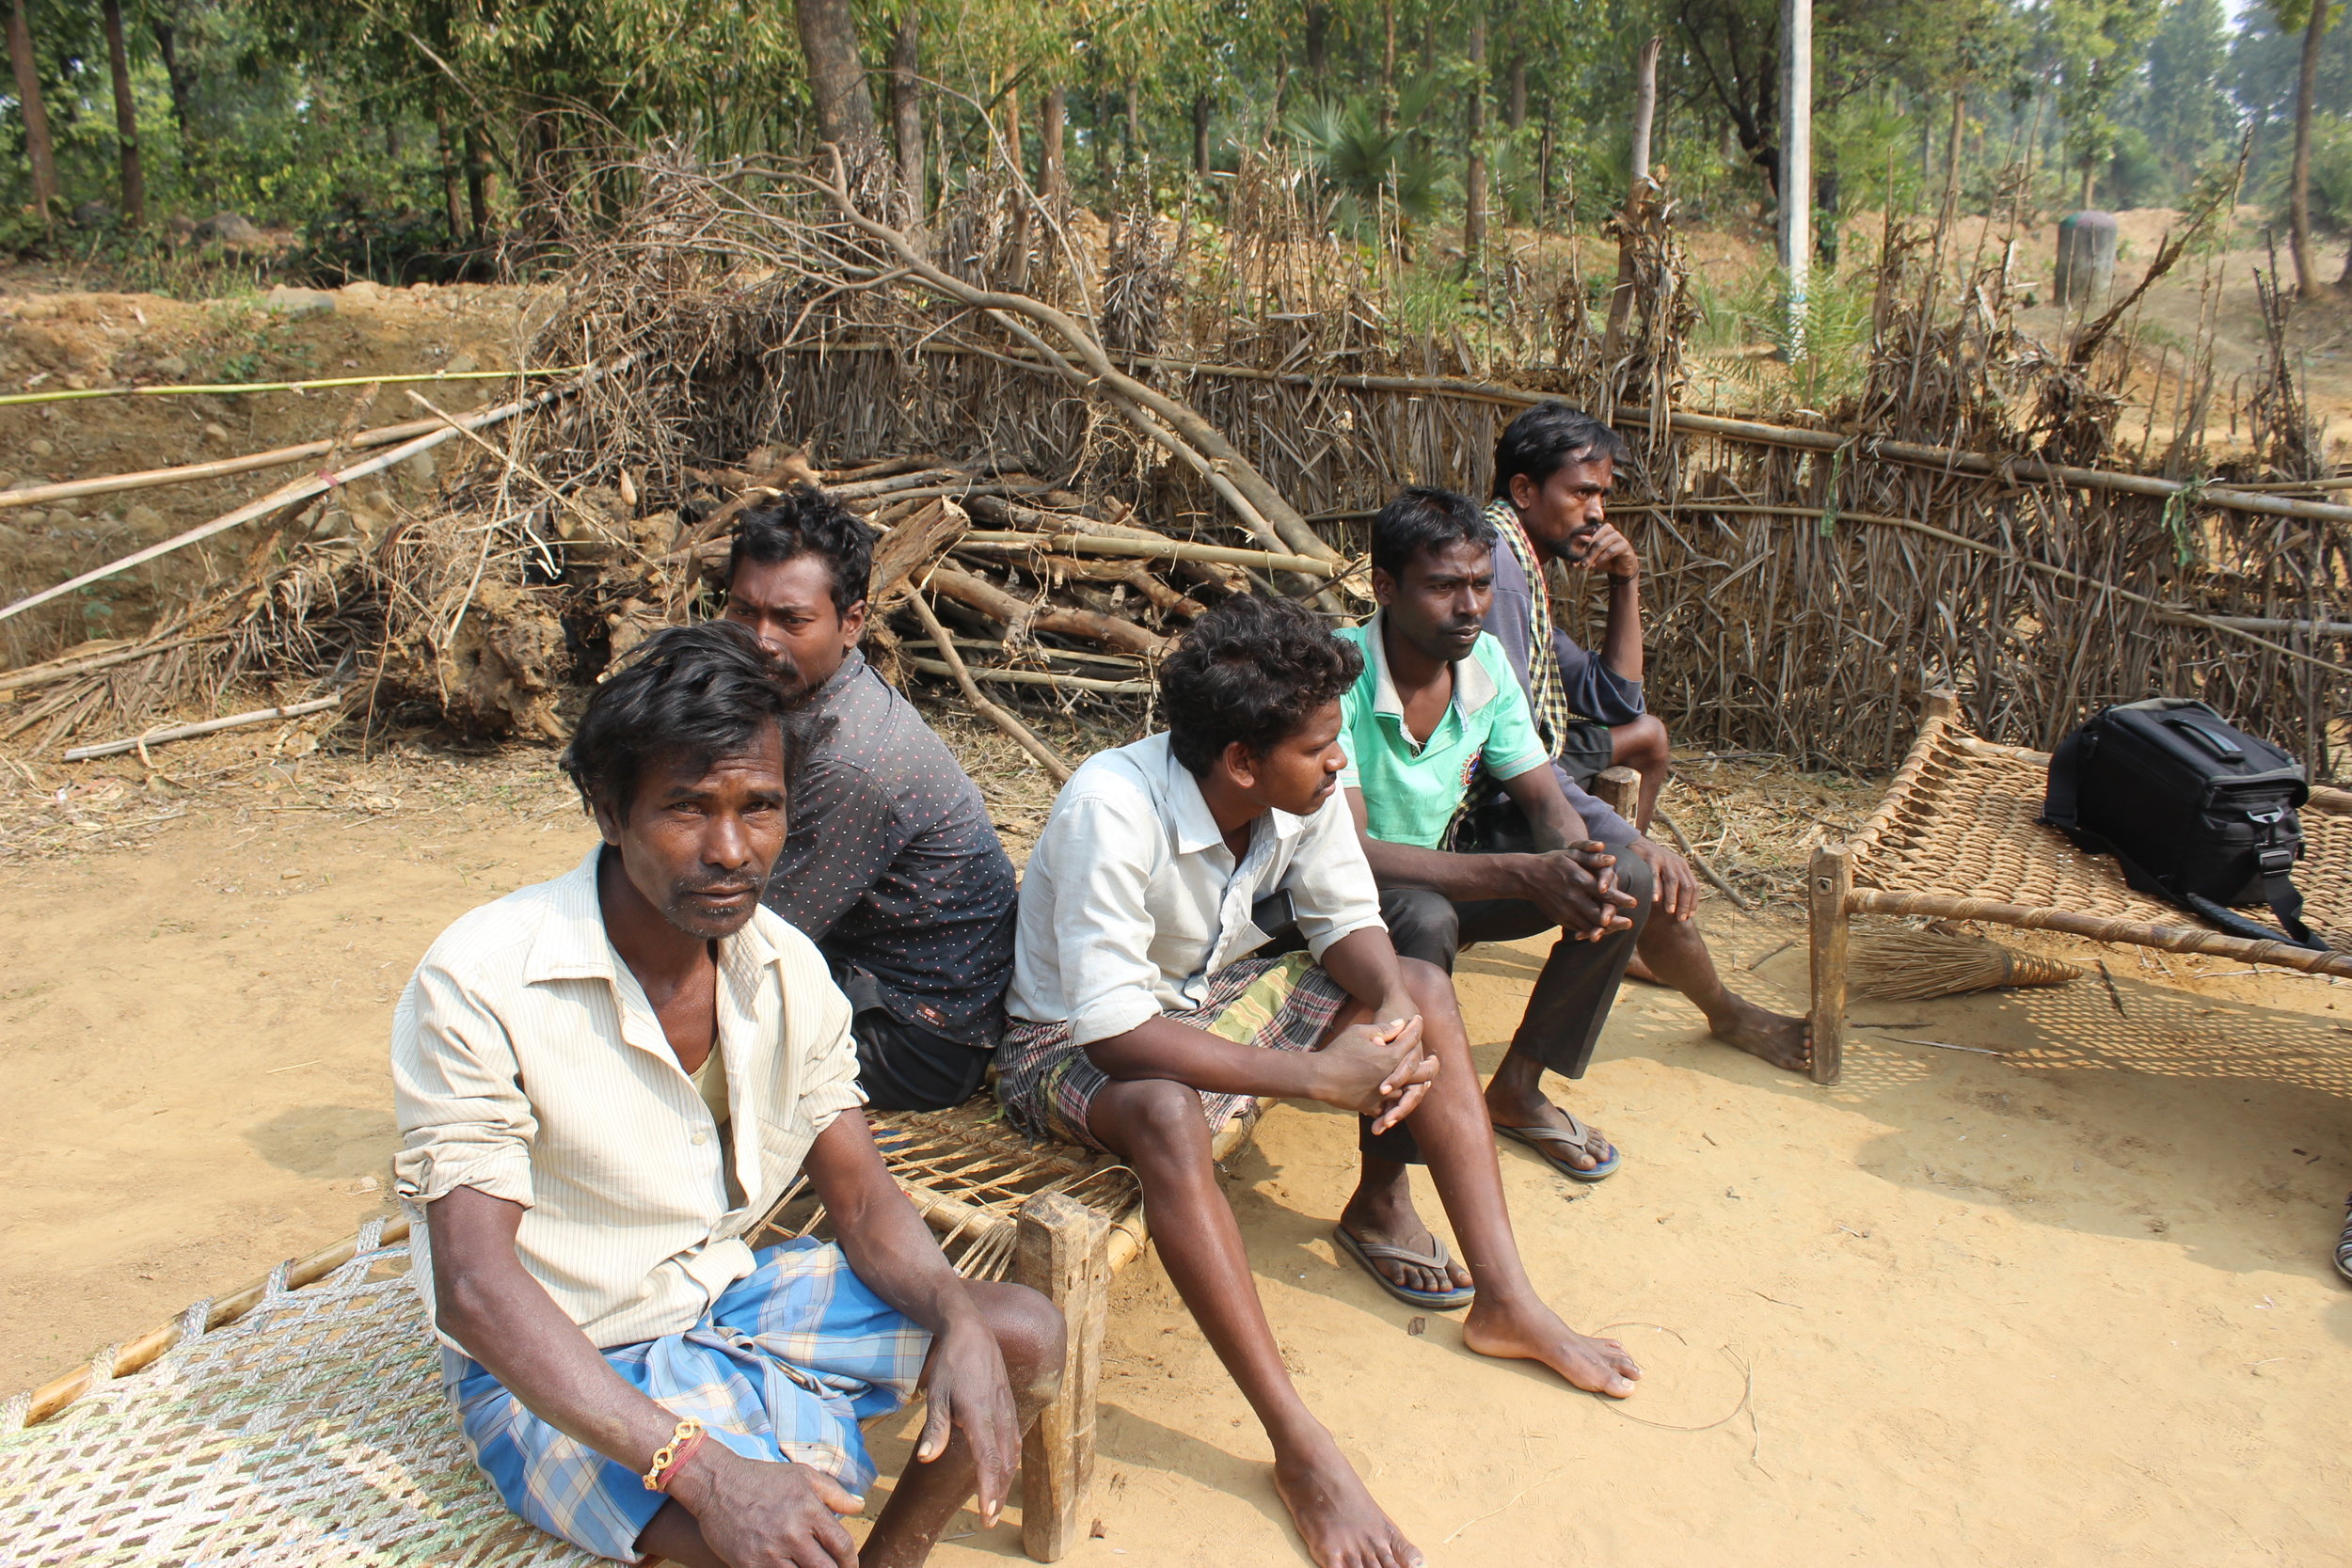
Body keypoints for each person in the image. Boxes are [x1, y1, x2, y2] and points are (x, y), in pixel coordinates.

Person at [391, 623, 1061, 1568]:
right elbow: (474, 1287)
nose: (732, 847)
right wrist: (706, 1470)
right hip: (566, 1358)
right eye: (688, 808)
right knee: (773, 1533)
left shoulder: (784, 967)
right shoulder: (484, 978)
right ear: (607, 808)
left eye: (761, 806)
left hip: (717, 1299)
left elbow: (863, 1200)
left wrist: (954, 1311)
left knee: (1017, 1331)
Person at [999, 594, 1640, 1568]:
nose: (1339, 761)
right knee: (1168, 1113)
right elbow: (1116, 1032)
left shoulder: (1292, 793)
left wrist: (1388, 1013)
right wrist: (1311, 1076)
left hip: (1201, 997)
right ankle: (1299, 1445)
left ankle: (1505, 1298)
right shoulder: (1110, 806)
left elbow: (1347, 920)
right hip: (1067, 1048)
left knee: (1419, 978)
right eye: (1318, 747)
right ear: (1242, 761)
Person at [1336, 487, 1653, 1188]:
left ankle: (1518, 1085)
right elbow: (1348, 853)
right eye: (1444, 586)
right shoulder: (1338, 674)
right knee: (1424, 916)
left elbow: (1544, 797)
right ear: (1384, 586)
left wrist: (1580, 862)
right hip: (1330, 902)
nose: (1471, 606)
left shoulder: (1483, 667)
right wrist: (1519, 874)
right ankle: (1381, 1193)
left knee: (1626, 875)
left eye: (1480, 584)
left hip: (1434, 880)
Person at [1483, 402, 1809, 1072]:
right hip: (1477, 791)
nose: (1598, 511)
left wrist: (1626, 581)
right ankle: (1723, 1009)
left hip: (1517, 758)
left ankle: (1635, 933)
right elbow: (1511, 752)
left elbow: (1614, 698)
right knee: (1638, 876)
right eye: (1582, 492)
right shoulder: (1495, 570)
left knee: (1647, 736)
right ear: (1523, 490)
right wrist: (1628, 837)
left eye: (1603, 493)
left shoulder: (1525, 565)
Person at [721, 487, 1021, 1110]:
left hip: (921, 1034)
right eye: (742, 612)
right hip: (861, 966)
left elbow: (755, 937)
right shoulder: (801, 697)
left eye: (791, 620)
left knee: (690, 1030)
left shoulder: (852, 761)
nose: (759, 639)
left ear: (851, 623)